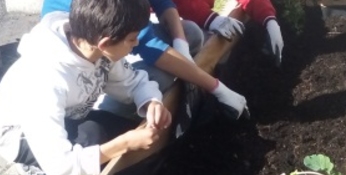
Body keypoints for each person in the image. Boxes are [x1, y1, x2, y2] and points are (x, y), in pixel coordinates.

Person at [0, 0, 173, 175]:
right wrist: (124, 144)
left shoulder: (95, 46)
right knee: (93, 138)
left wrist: (151, 102)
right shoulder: (45, 78)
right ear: (105, 43)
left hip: (67, 117)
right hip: (20, 134)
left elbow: (132, 81)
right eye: (132, 39)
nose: (136, 43)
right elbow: (60, 164)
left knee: (117, 138)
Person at [41, 0, 249, 120]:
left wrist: (180, 44)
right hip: (81, 55)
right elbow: (148, 43)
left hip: (108, 41)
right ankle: (111, 113)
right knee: (160, 77)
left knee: (191, 33)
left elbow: (162, 2)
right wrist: (219, 89)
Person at [173, 0, 284, 66]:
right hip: (163, 21)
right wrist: (209, 19)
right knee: (197, 36)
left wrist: (269, 20)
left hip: (189, 18)